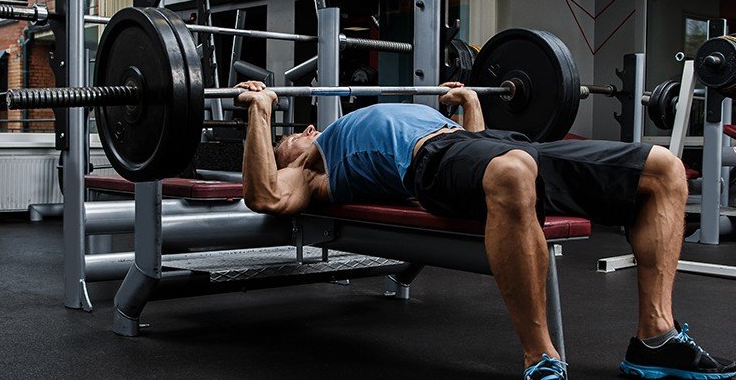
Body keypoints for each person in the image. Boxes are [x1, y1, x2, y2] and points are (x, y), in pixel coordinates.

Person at [234, 80, 736, 380]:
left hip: (486, 142)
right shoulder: (314, 170)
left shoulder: (342, 129)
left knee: (664, 170)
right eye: (288, 142)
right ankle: (541, 357)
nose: (300, 135)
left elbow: (475, 149)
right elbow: (265, 195)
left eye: (299, 131)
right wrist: (260, 114)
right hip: (430, 162)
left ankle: (655, 339)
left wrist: (470, 102)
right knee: (513, 173)